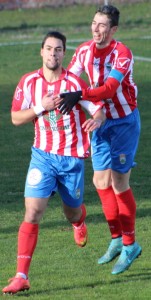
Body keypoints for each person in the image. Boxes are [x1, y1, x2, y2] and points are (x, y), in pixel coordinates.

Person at [2, 31, 105, 295]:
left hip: (71, 159)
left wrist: (98, 119)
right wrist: (41, 107)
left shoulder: (74, 83)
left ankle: (78, 221)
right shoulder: (28, 82)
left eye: (58, 49)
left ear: (64, 54)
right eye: (48, 48)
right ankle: (21, 276)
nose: (53, 53)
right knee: (33, 212)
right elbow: (15, 117)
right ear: (41, 51)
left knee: (71, 211)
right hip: (42, 157)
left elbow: (98, 109)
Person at [58, 5, 142, 275]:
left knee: (119, 183)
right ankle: (116, 239)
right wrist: (68, 93)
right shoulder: (83, 50)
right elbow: (70, 80)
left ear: (113, 30)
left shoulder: (122, 54)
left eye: (102, 25)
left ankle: (131, 245)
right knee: (100, 181)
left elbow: (110, 88)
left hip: (123, 123)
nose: (96, 28)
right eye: (94, 23)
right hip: (100, 120)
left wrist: (80, 93)